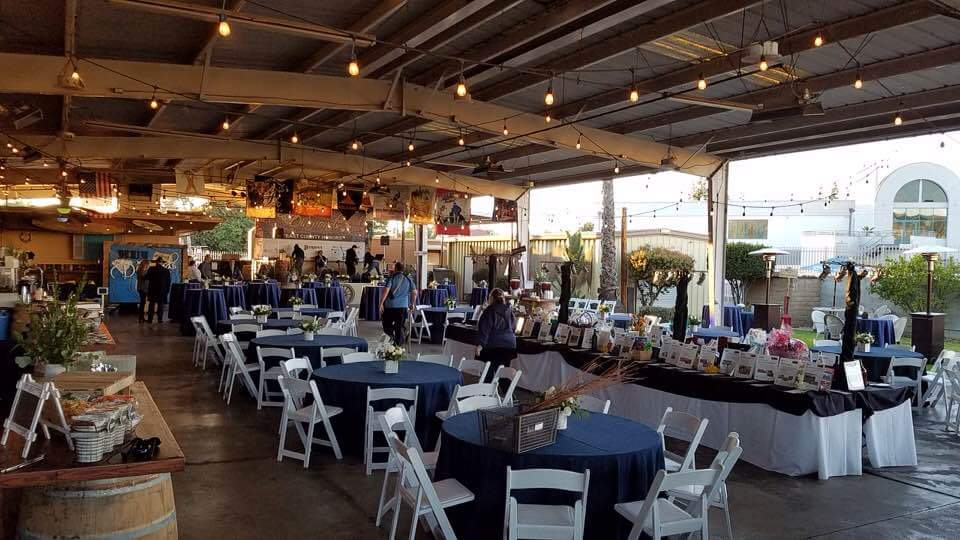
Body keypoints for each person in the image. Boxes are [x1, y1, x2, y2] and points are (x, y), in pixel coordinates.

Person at [476, 288, 517, 377]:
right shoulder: (509, 310)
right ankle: (505, 386)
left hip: (493, 346)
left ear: (491, 298)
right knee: (503, 373)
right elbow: (514, 327)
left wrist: (480, 345)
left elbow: (484, 329)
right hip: (510, 346)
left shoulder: (489, 310)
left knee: (487, 373)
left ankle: (487, 386)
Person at [379, 262, 417, 345]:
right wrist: (412, 303)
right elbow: (414, 292)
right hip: (402, 307)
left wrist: (381, 303)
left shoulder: (391, 277)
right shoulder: (408, 279)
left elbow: (386, 290)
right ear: (403, 269)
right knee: (399, 326)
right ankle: (398, 346)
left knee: (387, 325)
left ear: (395, 269)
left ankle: (391, 338)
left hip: (390, 306)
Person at [145, 257, 172, 323]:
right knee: (160, 305)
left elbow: (147, 277)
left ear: (156, 262)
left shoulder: (151, 269)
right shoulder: (166, 270)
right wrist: (167, 290)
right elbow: (168, 282)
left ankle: (150, 319)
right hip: (162, 291)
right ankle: (160, 319)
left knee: (151, 305)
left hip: (152, 290)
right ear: (162, 263)